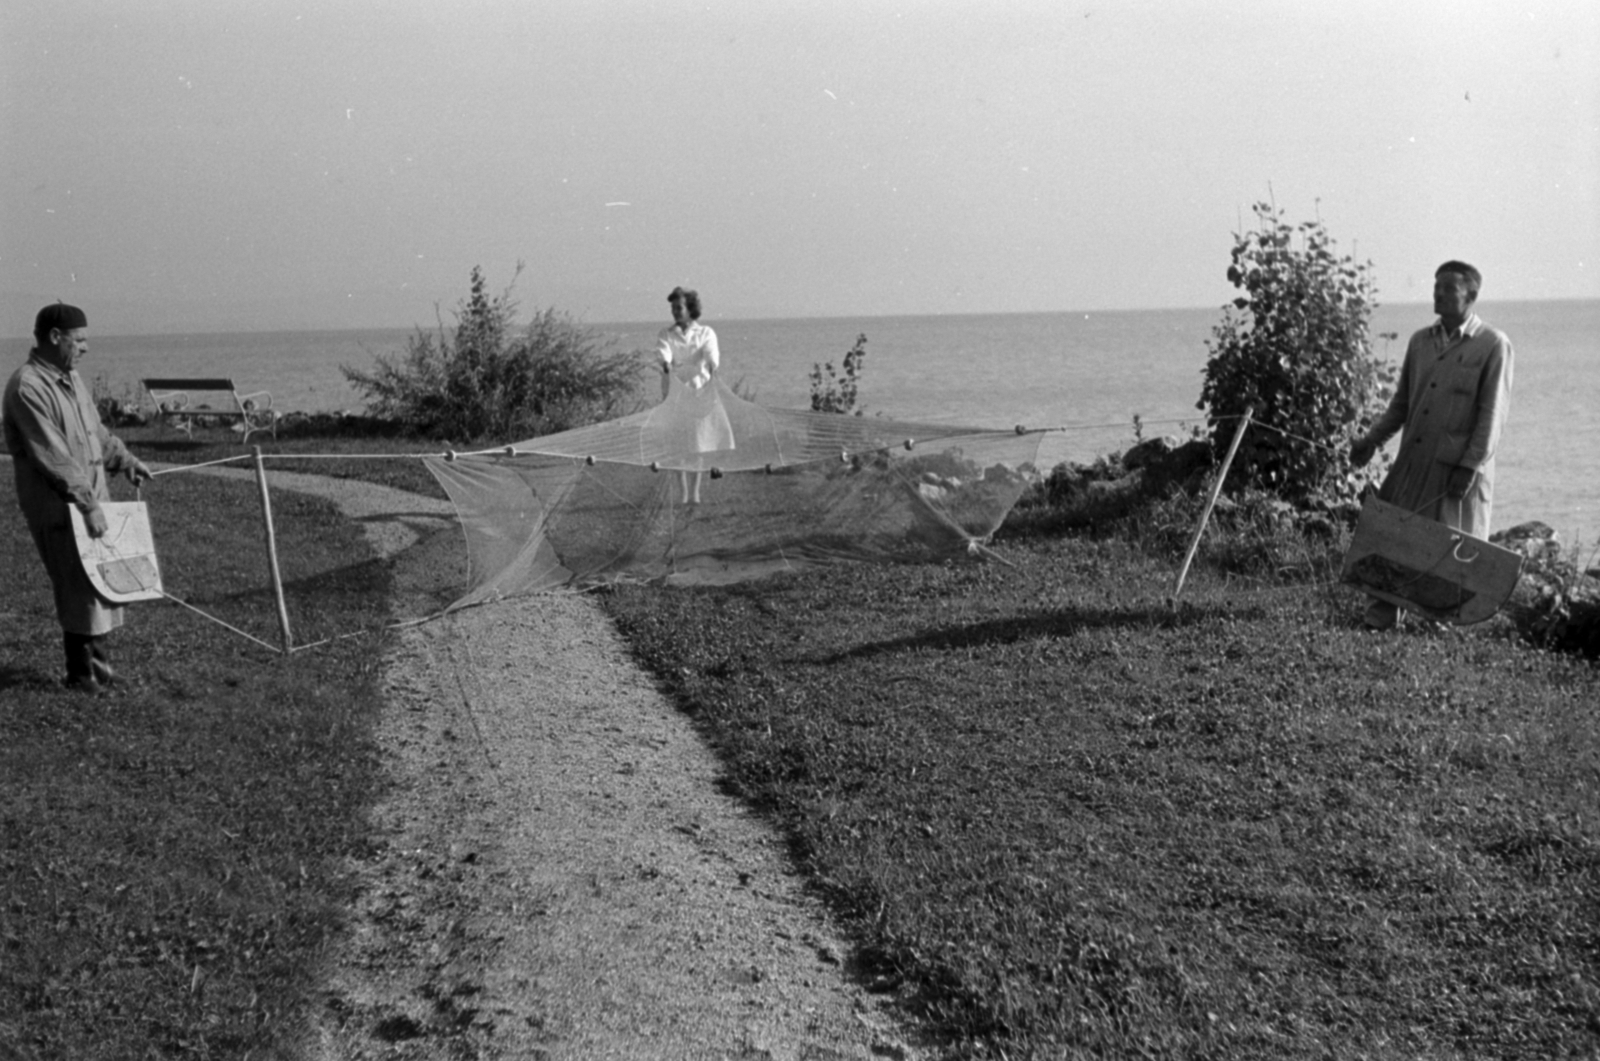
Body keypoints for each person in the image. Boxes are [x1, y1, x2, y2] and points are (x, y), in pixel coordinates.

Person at [1349, 261, 1513, 630]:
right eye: (1436, 287)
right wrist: (1370, 442)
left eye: (1448, 289)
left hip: (1457, 472)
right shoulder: (1420, 341)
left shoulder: (1492, 345)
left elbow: (1492, 416)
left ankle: (1443, 632)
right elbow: (1402, 405)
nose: (1438, 294)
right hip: (1412, 463)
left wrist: (1469, 467)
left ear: (1471, 296)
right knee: (1394, 540)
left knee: (1454, 553)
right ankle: (1379, 623)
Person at [4, 303, 152, 691]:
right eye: (80, 340)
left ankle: (97, 671)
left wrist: (126, 460)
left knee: (96, 583)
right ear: (56, 337)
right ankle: (84, 676)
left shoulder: (70, 378)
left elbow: (95, 433)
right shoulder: (28, 386)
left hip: (88, 500)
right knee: (77, 587)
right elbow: (52, 456)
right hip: (58, 506)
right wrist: (88, 504)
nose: (86, 348)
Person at [655, 286, 734, 503]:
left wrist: (712, 365)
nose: (675, 311)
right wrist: (666, 363)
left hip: (700, 391)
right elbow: (663, 353)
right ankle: (683, 494)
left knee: (698, 443)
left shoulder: (706, 332)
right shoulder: (666, 333)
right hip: (675, 392)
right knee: (678, 444)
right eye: (672, 308)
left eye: (678, 307)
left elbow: (711, 352)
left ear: (690, 308)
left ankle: (696, 493)